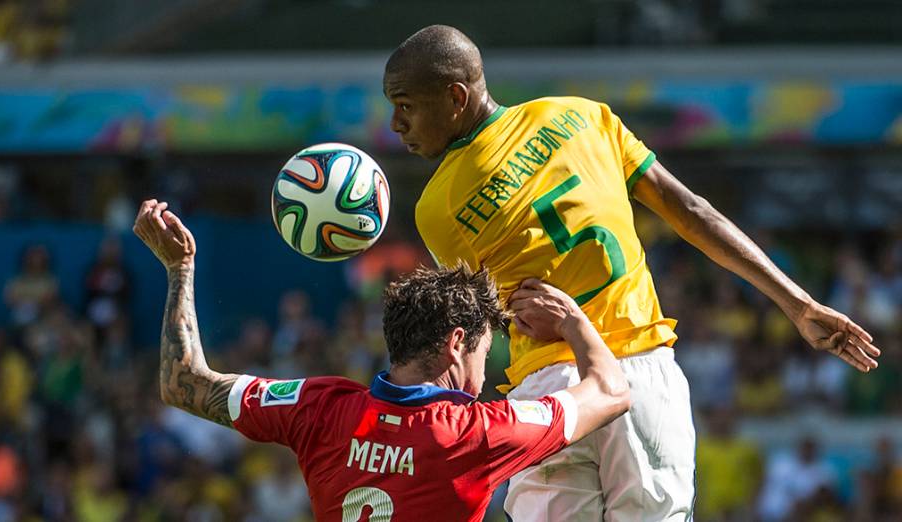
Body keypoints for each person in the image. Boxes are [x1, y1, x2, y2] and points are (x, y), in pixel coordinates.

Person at [382, 24, 882, 521]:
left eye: (406, 105)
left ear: (455, 95)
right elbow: (691, 211)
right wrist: (799, 304)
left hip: (554, 397)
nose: (396, 123)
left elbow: (484, 327)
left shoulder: (438, 209)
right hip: (641, 376)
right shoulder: (582, 114)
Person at [131, 199, 631, 521]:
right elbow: (612, 391)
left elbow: (184, 384)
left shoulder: (320, 406)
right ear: (457, 342)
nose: (484, 372)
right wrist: (571, 319)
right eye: (483, 351)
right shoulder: (476, 433)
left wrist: (180, 269)